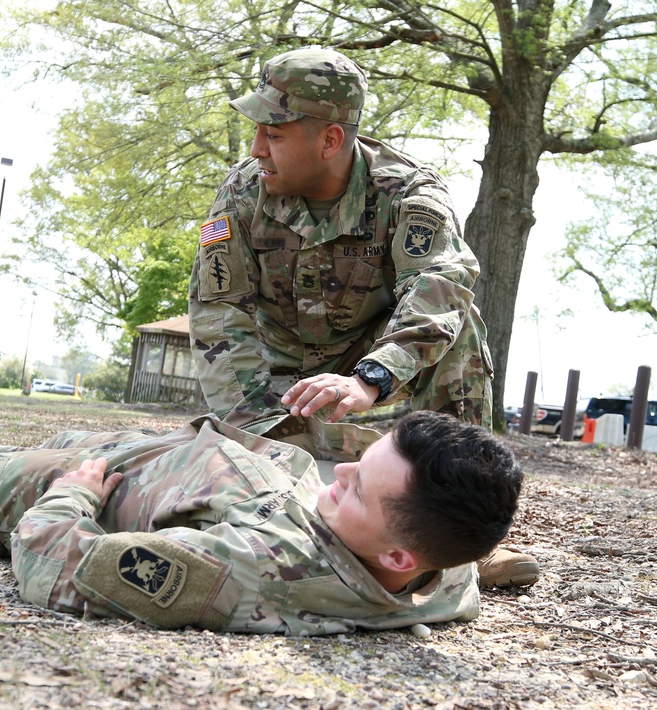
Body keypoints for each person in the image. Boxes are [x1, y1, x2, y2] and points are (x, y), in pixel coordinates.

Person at [0, 388, 523, 636]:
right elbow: (439, 572)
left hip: (97, 486)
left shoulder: (241, 574)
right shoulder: (436, 572)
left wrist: (74, 496)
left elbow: (55, 561)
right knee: (3, 451)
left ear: (396, 558)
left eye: (356, 486)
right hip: (167, 454)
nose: (339, 472)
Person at [187, 47, 538, 588]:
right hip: (278, 372)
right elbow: (219, 313)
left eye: (274, 134)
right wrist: (266, 437)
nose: (257, 148)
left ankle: (458, 534)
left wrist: (372, 378)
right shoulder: (242, 191)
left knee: (460, 323)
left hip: (373, 361)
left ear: (329, 139)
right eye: (258, 132)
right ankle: (282, 506)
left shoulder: (409, 193)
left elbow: (440, 288)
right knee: (257, 489)